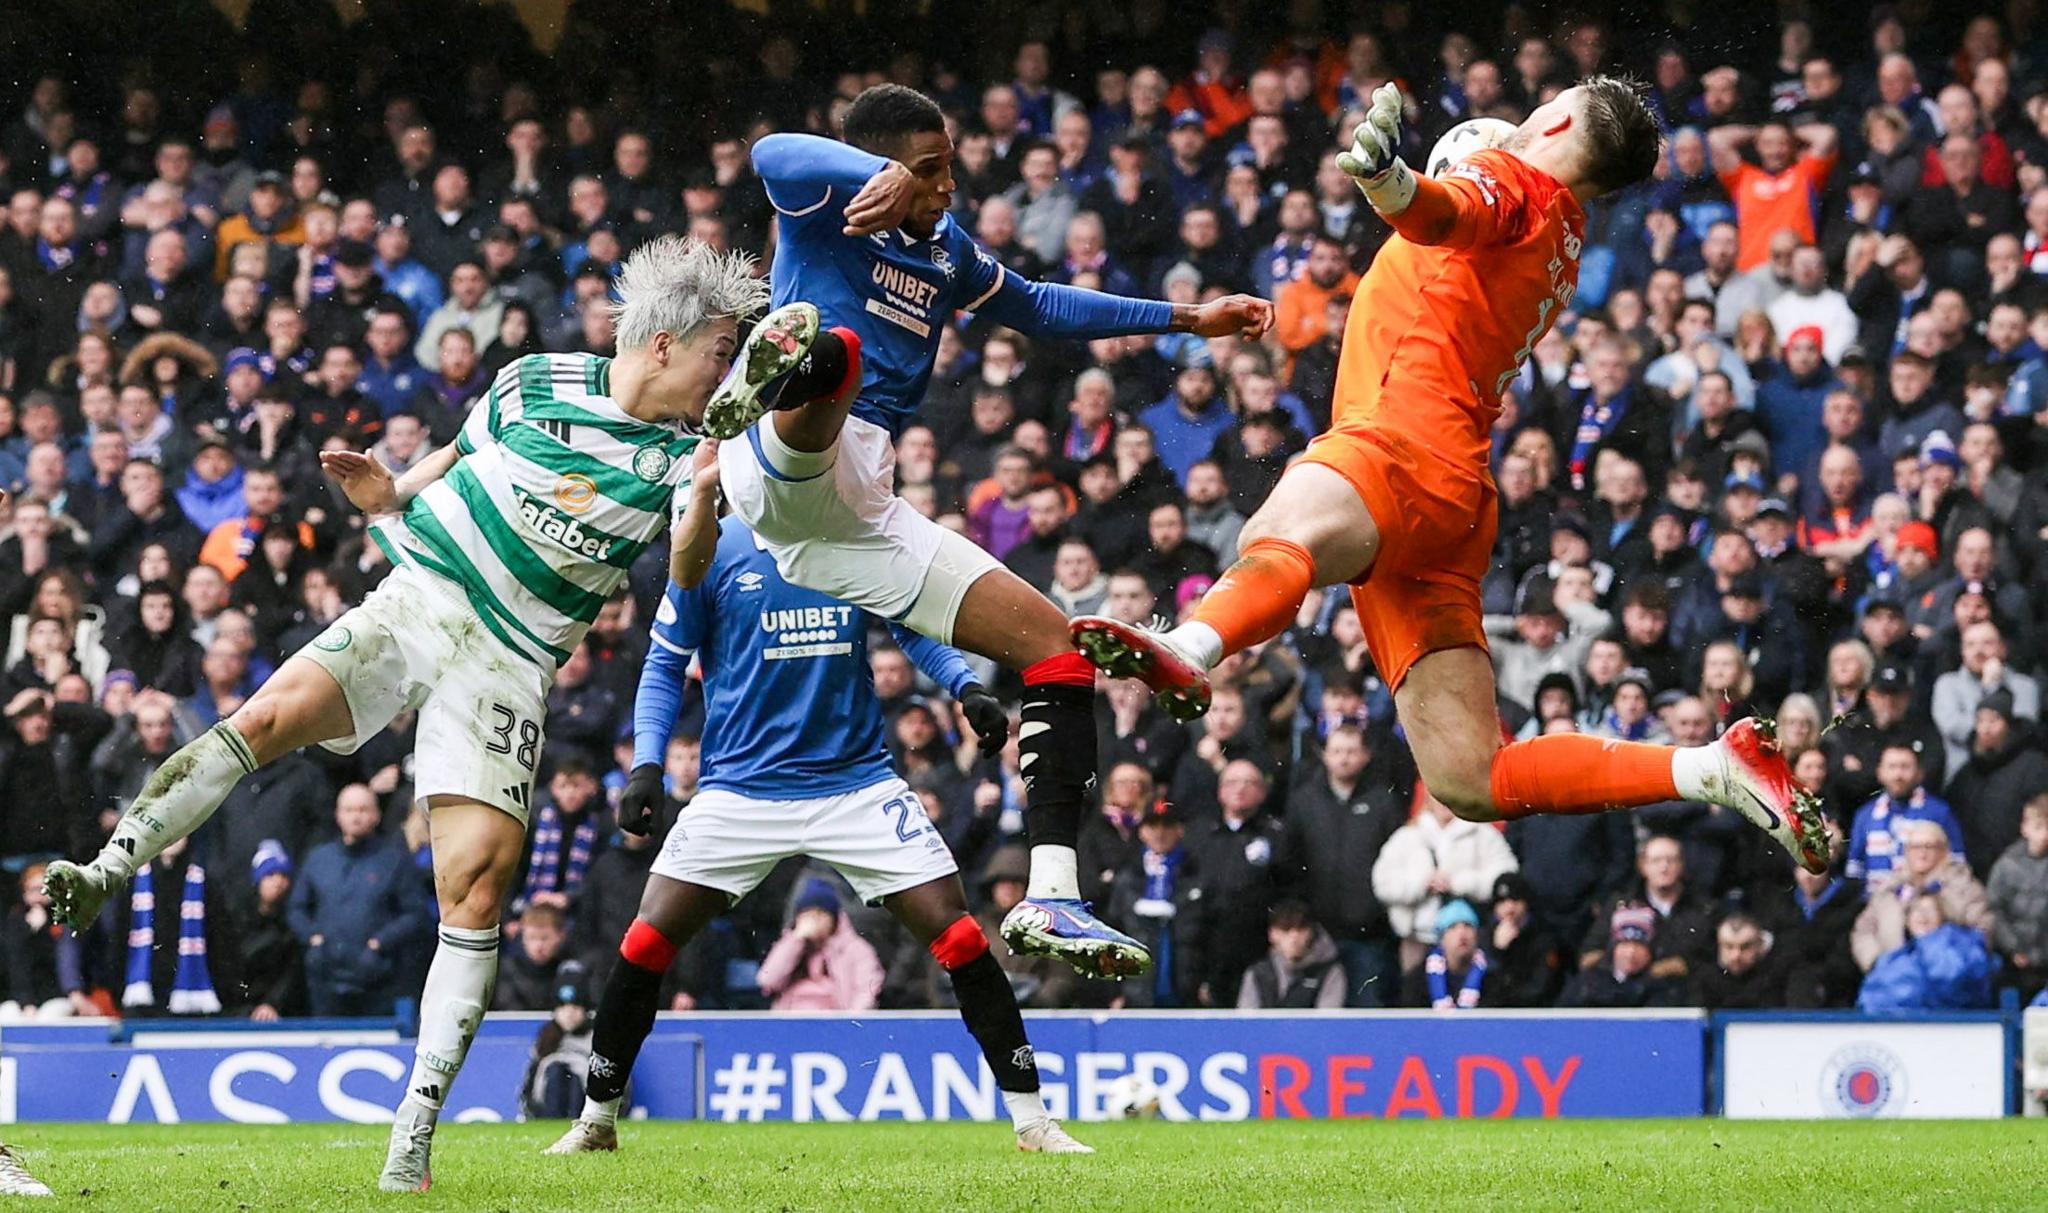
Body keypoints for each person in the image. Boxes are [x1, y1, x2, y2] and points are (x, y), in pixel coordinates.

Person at [42, 235, 769, 1192]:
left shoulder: (688, 458)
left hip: (508, 665)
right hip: (417, 597)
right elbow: (458, 451)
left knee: (472, 896)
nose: (734, 376)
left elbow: (683, 572)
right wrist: (393, 497)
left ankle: (412, 1131)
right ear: (668, 343)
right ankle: (104, 869)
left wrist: (707, 502)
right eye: (726, 351)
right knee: (258, 722)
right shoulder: (533, 379)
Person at [1069, 80, 1832, 873]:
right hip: (1452, 498)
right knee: (1471, 777)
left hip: (1403, 440)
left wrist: (1385, 180)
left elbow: (1445, 211)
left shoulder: (1520, 179)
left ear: (1559, 121)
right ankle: (1708, 767)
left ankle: (1191, 647)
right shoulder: (1561, 232)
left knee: (1274, 534)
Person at [708, 83, 1272, 978]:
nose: (945, 189)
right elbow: (773, 146)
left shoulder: (944, 250)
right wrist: (878, 173)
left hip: (855, 512)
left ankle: (1053, 894)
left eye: (947, 171)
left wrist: (1186, 318)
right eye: (929, 172)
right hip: (778, 458)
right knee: (839, 356)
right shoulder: (826, 201)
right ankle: (776, 371)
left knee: (1060, 649)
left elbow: (1044, 305)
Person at [544, 515, 1089, 1157]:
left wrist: (965, 686)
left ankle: (1033, 1122)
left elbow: (911, 629)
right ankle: (596, 1121)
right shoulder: (709, 546)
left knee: (962, 936)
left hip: (856, 785)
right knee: (644, 942)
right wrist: (646, 765)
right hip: (740, 791)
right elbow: (665, 663)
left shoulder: (848, 531)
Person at [1238, 899, 1346, 1009]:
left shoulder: (1330, 972)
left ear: (1311, 933)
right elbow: (1247, 1020)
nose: (1294, 937)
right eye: (1285, 929)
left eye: (1301, 929)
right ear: (1272, 934)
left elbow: (1327, 1022)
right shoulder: (1256, 974)